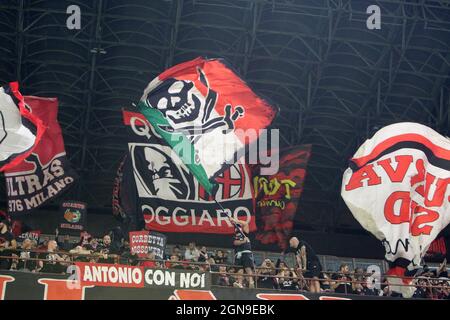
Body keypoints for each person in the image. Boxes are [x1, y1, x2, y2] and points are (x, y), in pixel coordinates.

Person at [229, 216, 255, 288]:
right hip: (238, 253)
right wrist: (243, 241)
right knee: (239, 269)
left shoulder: (245, 233)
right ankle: (239, 283)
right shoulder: (234, 236)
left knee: (248, 267)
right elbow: (235, 243)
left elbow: (246, 223)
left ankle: (251, 281)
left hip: (246, 251)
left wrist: (235, 221)